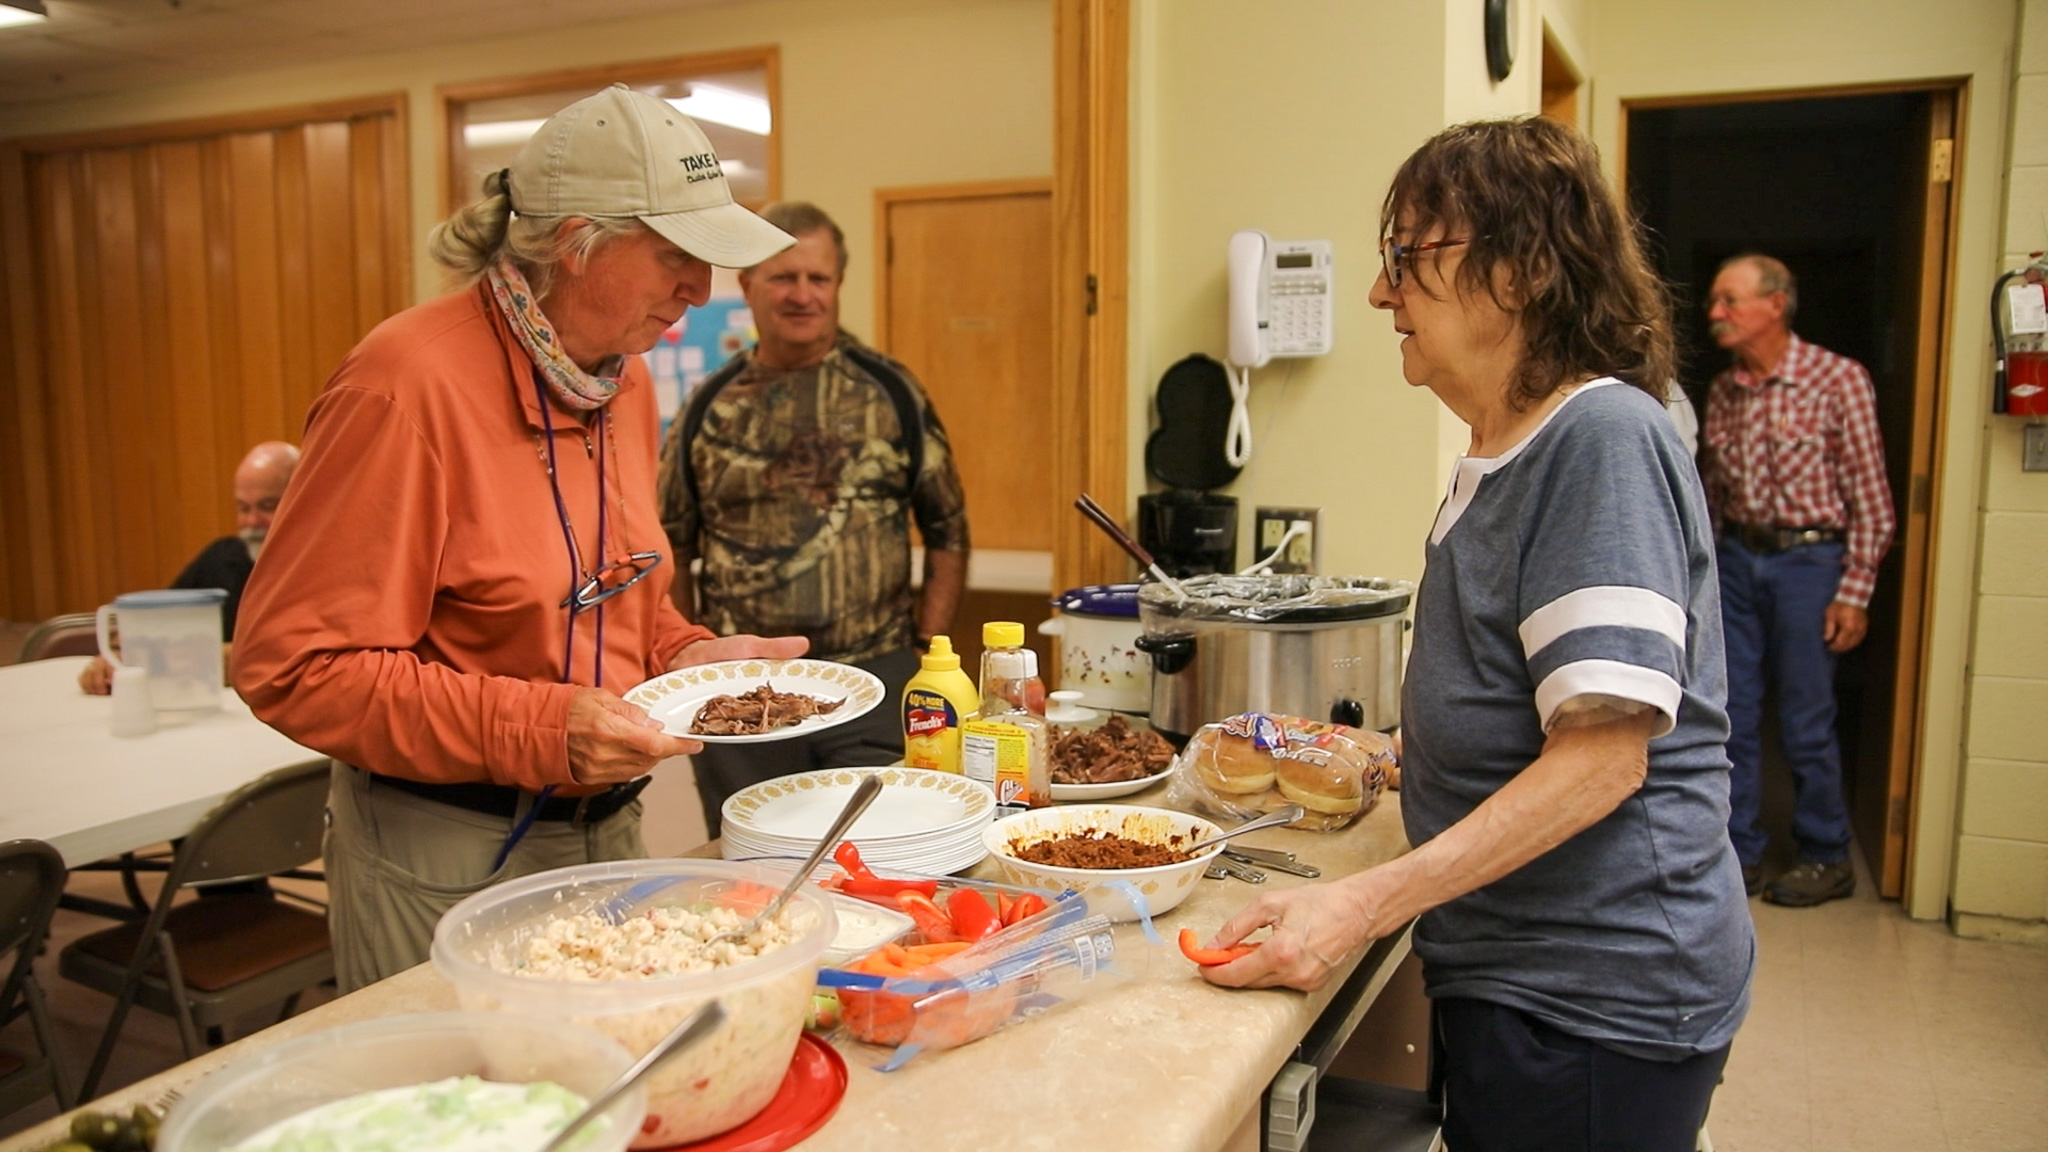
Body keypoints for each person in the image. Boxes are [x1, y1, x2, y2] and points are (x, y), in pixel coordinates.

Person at [1194, 118, 1752, 1151]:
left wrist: (1358, 906)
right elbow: (1527, 692)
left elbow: (1600, 763)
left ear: (1522, 271)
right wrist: (1411, 756)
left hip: (1594, 990)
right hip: (1525, 970)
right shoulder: (1501, 447)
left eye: (1406, 257)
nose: (1378, 293)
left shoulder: (1600, 440)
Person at [233, 84, 807, 991]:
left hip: (606, 829)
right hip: (447, 852)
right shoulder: (403, 385)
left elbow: (616, 601)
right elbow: (292, 667)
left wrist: (696, 660)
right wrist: (539, 728)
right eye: (675, 257)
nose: (701, 292)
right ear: (575, 242)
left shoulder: (621, 378)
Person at [656, 201, 970, 835]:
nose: (801, 294)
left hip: (874, 682)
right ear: (746, 283)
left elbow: (948, 531)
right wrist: (696, 658)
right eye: (782, 277)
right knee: (752, 864)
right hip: (745, 692)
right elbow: (671, 542)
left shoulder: (890, 392)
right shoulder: (707, 409)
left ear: (837, 285)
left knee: (881, 851)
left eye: (817, 278)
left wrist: (921, 651)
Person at [1700, 253, 1896, 907]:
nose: (1715, 314)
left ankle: (1826, 853)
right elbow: (1712, 497)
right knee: (1732, 715)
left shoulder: (1838, 380)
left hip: (1811, 565)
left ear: (1775, 305)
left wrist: (1855, 591)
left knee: (1807, 718)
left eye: (1729, 300)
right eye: (1715, 302)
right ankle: (1740, 854)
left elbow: (1872, 499)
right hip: (1737, 562)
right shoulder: (1726, 391)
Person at [77, 440, 300, 696]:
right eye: (243, 508)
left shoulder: (331, 569)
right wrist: (116, 656)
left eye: (267, 506)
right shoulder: (222, 557)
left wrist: (234, 657)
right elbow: (153, 624)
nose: (251, 522)